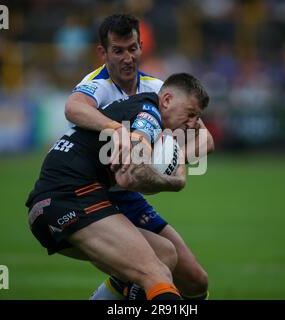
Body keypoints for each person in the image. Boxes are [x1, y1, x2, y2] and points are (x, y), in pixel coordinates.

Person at [65, 14, 214, 300]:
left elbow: (206, 138)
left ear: (141, 46)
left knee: (195, 280)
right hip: (92, 194)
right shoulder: (97, 84)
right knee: (153, 268)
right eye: (118, 50)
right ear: (103, 52)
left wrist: (175, 157)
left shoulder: (158, 89)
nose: (127, 57)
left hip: (127, 196)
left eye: (132, 48)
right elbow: (73, 108)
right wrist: (114, 129)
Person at [25, 73, 209, 301]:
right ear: (168, 100)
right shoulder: (149, 114)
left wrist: (175, 156)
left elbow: (205, 140)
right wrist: (175, 181)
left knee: (165, 255)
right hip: (70, 197)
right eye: (190, 115)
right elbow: (130, 177)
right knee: (156, 274)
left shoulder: (149, 97)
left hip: (69, 196)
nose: (193, 124)